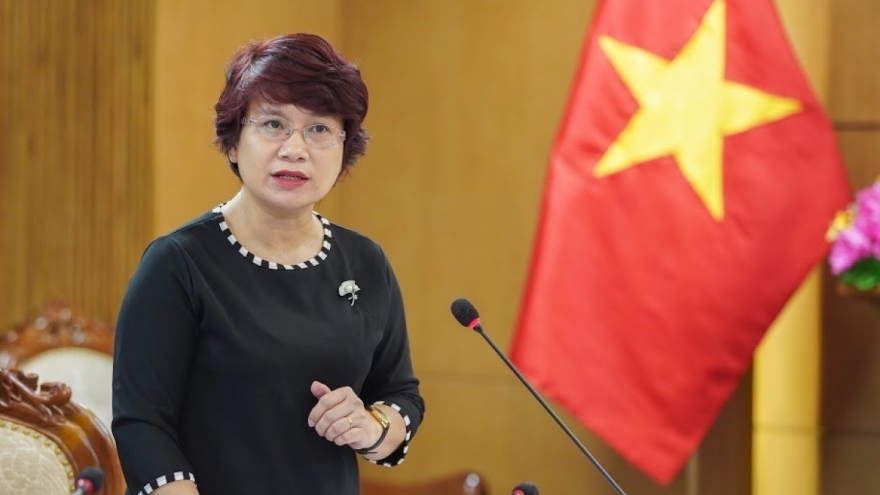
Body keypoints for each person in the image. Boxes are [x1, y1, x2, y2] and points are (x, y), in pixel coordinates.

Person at [112, 33, 425, 495]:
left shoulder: (365, 262)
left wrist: (373, 426)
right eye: (274, 124)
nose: (295, 149)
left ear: (344, 149)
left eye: (319, 129)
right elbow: (142, 425)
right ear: (233, 142)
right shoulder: (178, 263)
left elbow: (401, 394)